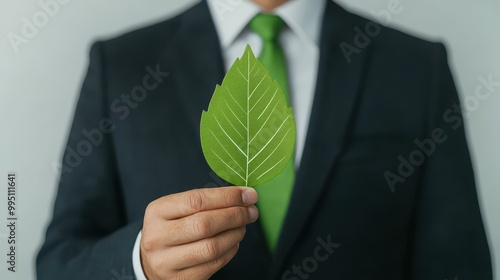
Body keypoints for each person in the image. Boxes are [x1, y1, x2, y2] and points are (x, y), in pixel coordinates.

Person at [37, 0, 492, 279]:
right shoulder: (122, 66)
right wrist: (140, 264)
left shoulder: (415, 67)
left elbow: (458, 263)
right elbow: (58, 262)